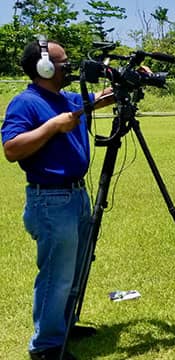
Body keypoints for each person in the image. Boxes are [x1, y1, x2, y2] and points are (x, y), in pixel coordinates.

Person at [2, 39, 115, 360]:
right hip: (51, 201)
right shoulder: (26, 103)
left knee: (78, 266)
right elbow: (11, 149)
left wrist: (125, 80)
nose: (70, 67)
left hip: (76, 195)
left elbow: (96, 99)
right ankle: (46, 346)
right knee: (57, 273)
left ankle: (63, 324)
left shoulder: (65, 97)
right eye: (63, 62)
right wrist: (52, 126)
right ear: (44, 68)